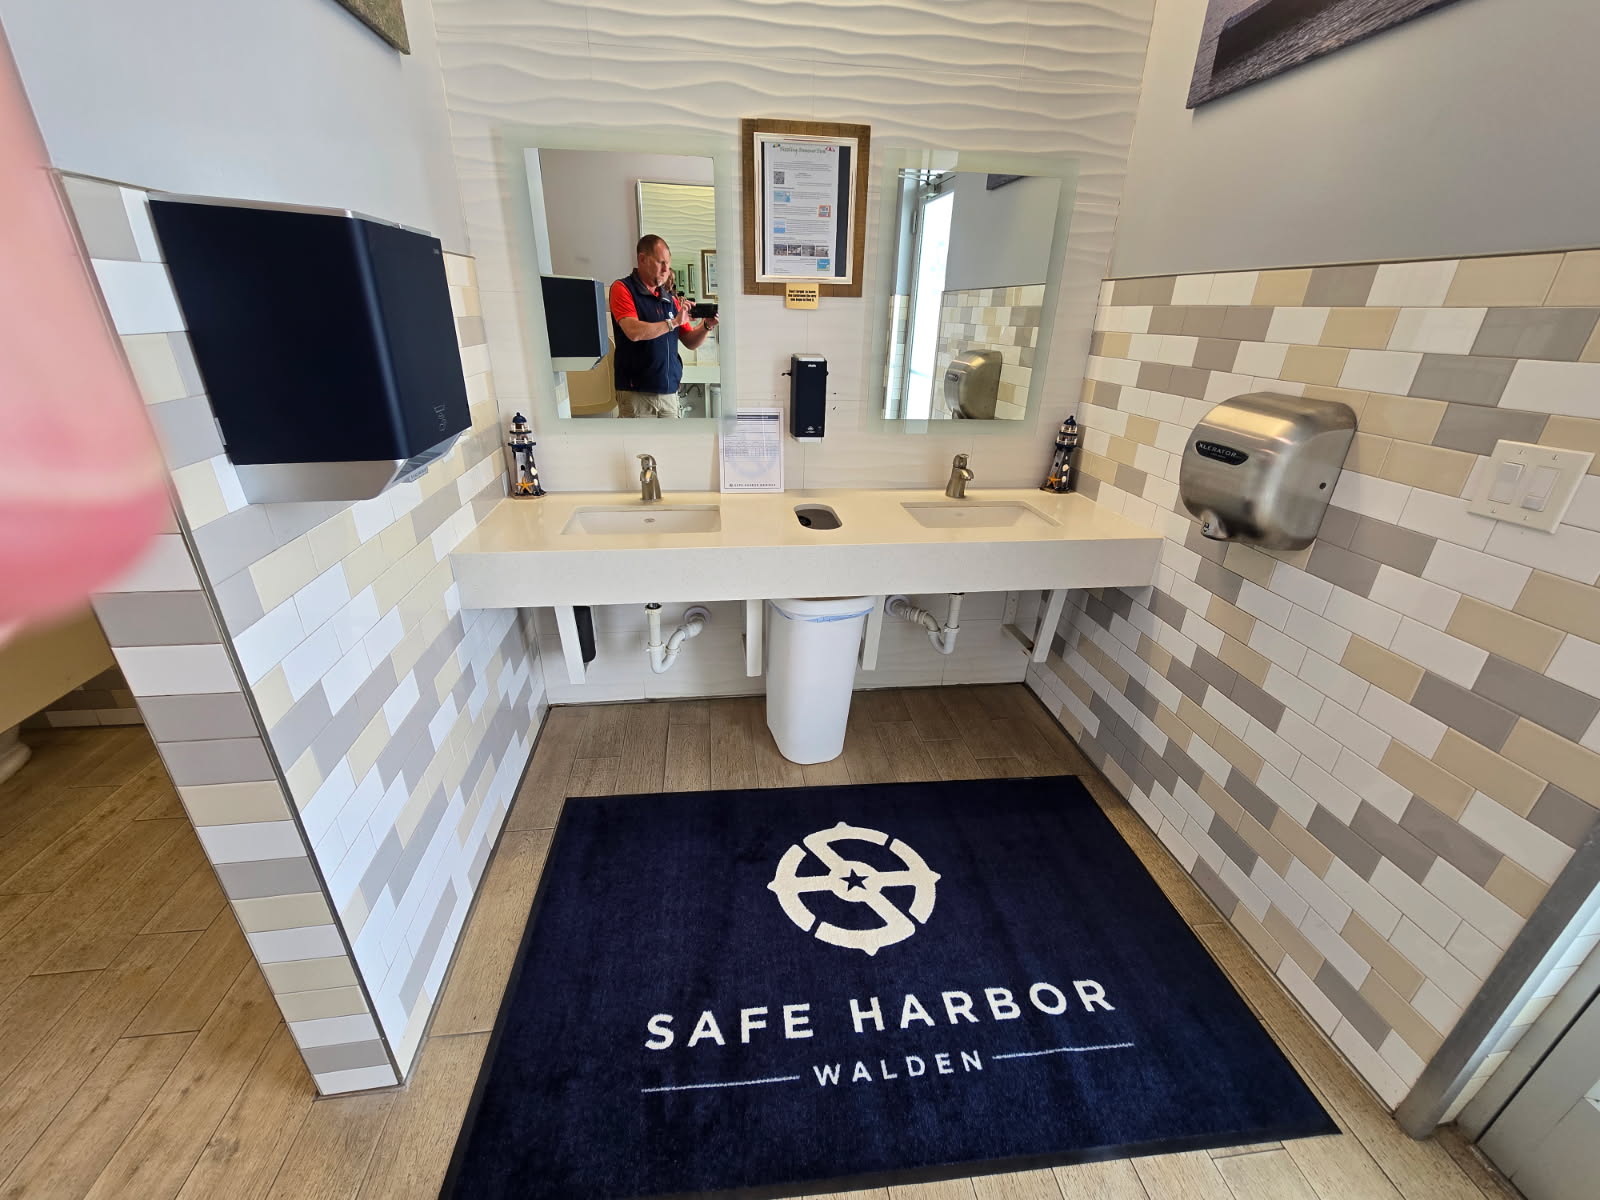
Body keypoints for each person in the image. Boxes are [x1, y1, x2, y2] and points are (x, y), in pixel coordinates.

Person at [608, 234, 718, 418]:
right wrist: (673, 322)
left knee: (673, 438)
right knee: (638, 439)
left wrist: (706, 325)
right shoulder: (623, 289)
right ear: (642, 259)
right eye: (661, 263)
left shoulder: (669, 299)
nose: (666, 269)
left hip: (669, 394)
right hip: (637, 394)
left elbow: (690, 341)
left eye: (668, 263)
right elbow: (633, 331)